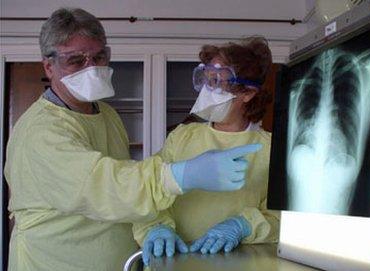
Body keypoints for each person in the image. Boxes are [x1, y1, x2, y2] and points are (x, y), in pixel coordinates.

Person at [4, 8, 261, 271]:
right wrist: (180, 177)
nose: (92, 67)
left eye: (99, 56)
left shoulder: (107, 115)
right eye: (76, 60)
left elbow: (131, 189)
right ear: (49, 66)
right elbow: (106, 186)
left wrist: (151, 226)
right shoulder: (42, 131)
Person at [136, 37, 280, 265]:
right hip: (172, 261)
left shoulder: (271, 149)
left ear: (247, 93)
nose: (207, 90)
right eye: (206, 80)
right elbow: (147, 190)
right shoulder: (182, 137)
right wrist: (157, 228)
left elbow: (281, 219)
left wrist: (243, 225)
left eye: (217, 82)